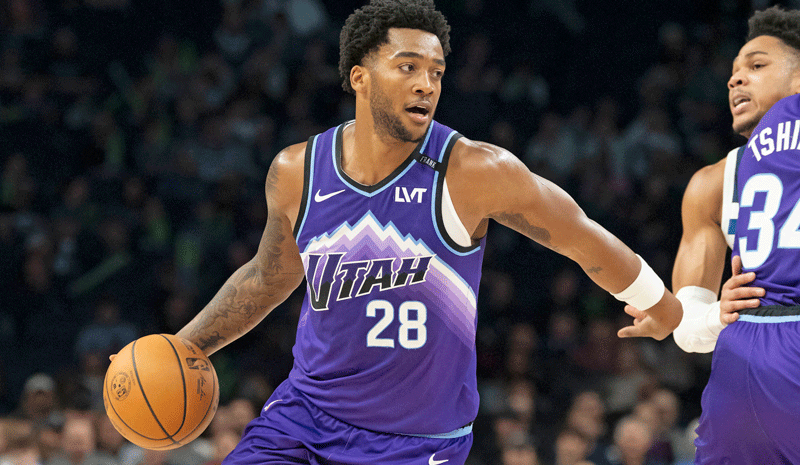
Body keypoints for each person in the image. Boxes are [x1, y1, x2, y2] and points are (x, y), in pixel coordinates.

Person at [171, 1, 682, 463]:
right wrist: (181, 346)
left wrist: (660, 303)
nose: (426, 84)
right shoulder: (297, 171)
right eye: (408, 67)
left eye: (436, 72)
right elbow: (268, 276)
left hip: (417, 446)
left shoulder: (475, 172)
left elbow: (580, 235)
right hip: (305, 421)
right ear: (359, 77)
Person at [628, 6, 800, 463]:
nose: (735, 80)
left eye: (757, 65)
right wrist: (718, 315)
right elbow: (690, 331)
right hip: (752, 359)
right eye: (733, 71)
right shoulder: (711, 184)